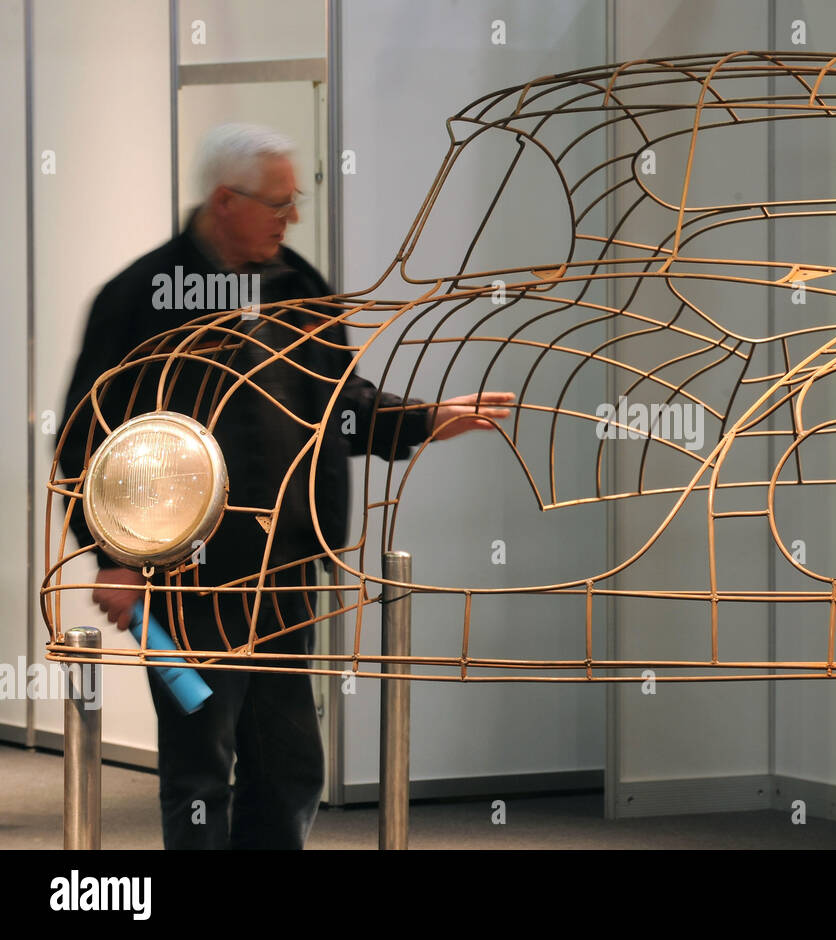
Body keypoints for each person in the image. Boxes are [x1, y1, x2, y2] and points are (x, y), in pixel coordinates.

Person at [58, 123, 513, 849]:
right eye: (279, 203)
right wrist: (110, 555)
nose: (291, 217)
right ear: (224, 200)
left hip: (286, 575)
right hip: (187, 580)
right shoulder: (141, 297)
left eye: (294, 201)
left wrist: (422, 419)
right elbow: (86, 439)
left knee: (290, 764)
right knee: (203, 765)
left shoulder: (298, 285)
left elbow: (339, 403)